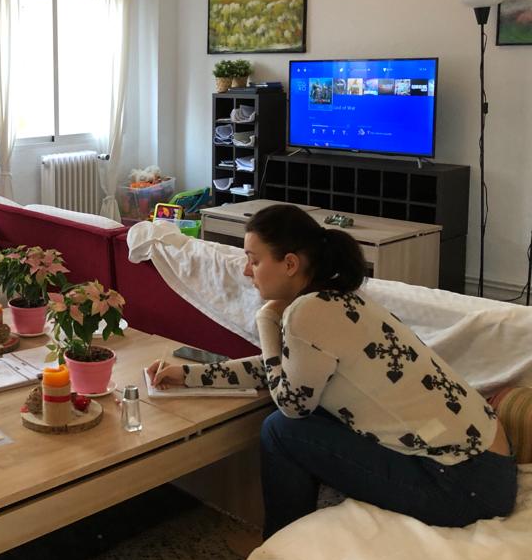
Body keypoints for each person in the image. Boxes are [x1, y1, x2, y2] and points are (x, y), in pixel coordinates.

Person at [149, 204, 517, 541]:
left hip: (461, 483)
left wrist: (265, 320)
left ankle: (281, 545)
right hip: (487, 467)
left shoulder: (307, 313)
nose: (247, 272)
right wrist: (189, 374)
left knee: (281, 430)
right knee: (302, 418)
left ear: (290, 263)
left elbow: (291, 403)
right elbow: (283, 371)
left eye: (254, 260)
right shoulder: (339, 297)